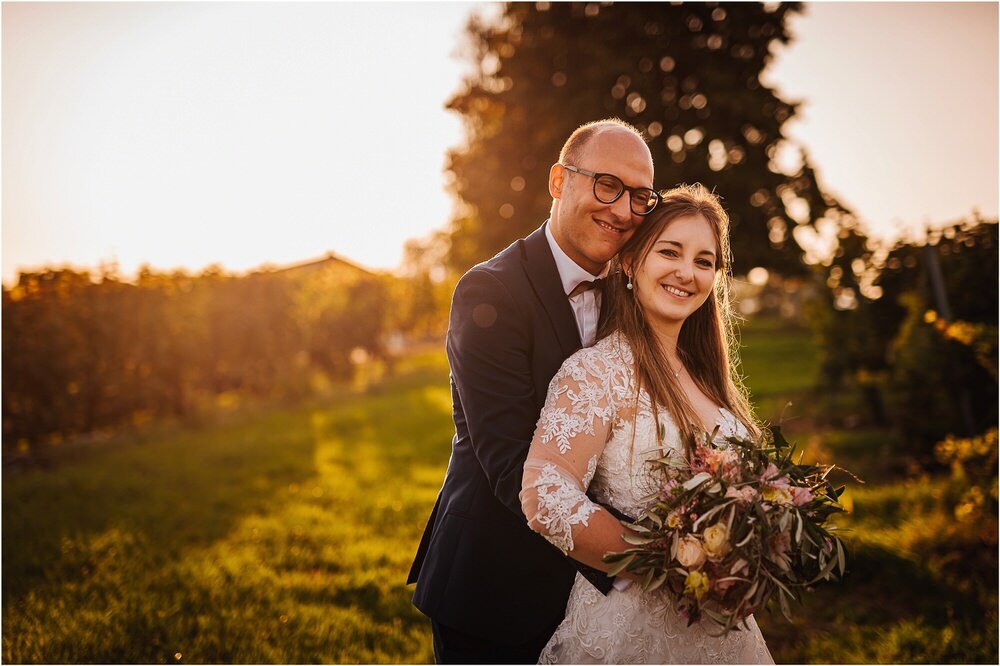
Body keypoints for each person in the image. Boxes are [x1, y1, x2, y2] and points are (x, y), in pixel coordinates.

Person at [407, 118, 661, 663]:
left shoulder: (638, 293)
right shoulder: (490, 291)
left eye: (640, 197)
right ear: (557, 181)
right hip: (495, 587)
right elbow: (510, 461)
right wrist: (653, 548)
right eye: (607, 185)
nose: (622, 211)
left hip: (601, 607)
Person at [520, 184, 775, 663]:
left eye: (705, 261)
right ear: (632, 262)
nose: (687, 272)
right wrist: (667, 561)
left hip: (723, 634)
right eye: (670, 252)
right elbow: (544, 493)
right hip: (628, 632)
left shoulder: (709, 383)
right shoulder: (597, 373)